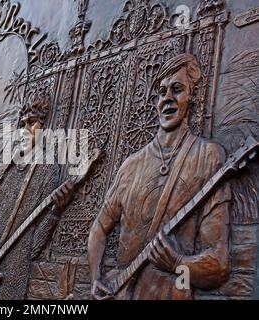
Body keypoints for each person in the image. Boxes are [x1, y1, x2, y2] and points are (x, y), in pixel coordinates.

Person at [88, 53, 231, 300]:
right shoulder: (131, 165)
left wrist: (177, 263)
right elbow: (99, 227)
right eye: (162, 92)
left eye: (177, 89)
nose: (168, 99)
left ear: (193, 97)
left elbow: (219, 266)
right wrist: (95, 279)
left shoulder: (208, 157)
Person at [0, 93, 74, 299]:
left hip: (12, 282)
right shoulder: (10, 172)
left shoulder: (48, 172)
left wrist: (55, 213)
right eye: (21, 125)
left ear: (45, 129)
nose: (24, 131)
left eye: (31, 123)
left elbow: (33, 248)